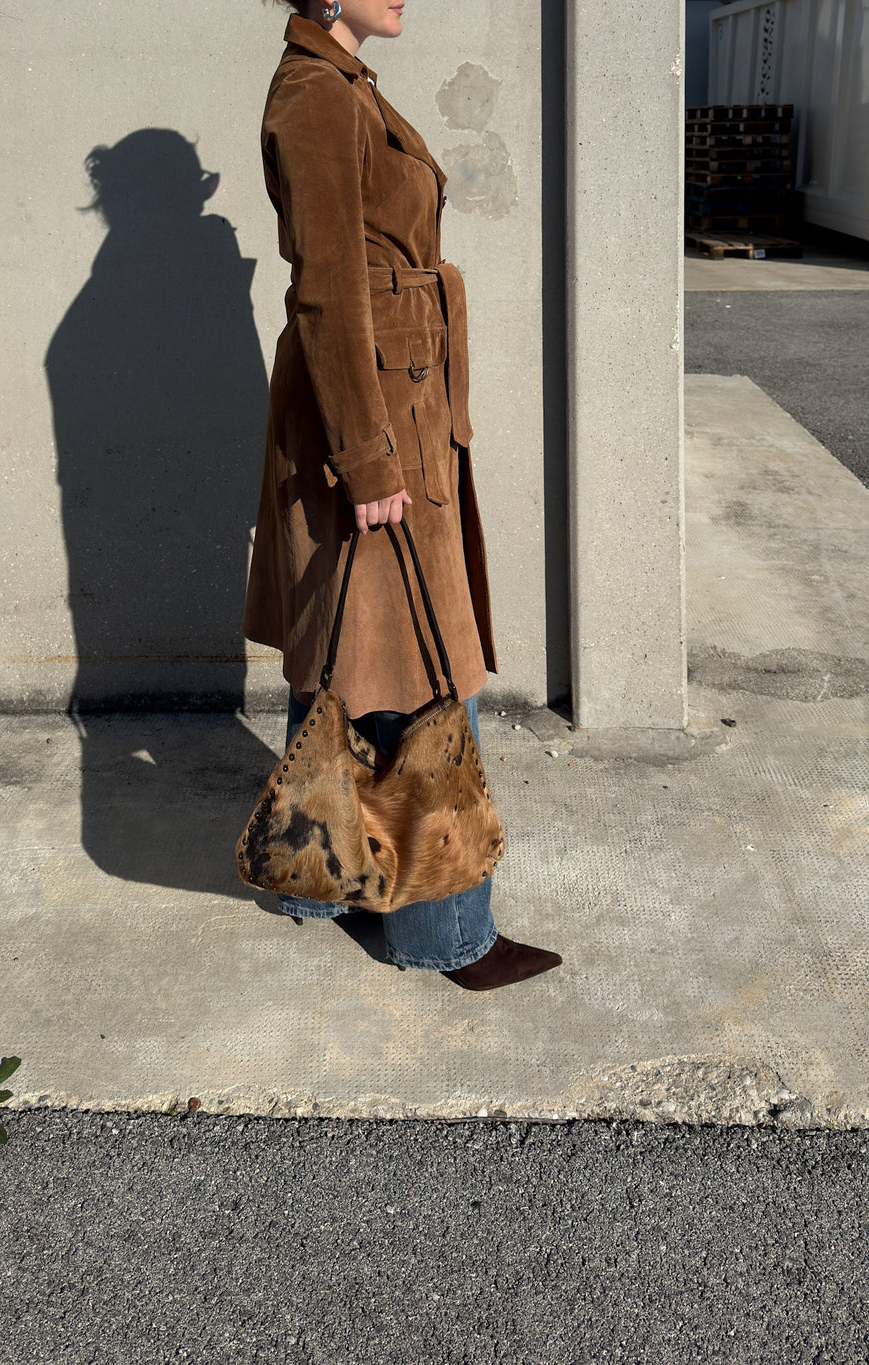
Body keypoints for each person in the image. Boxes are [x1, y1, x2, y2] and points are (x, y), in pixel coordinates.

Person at [243, 0, 562, 989]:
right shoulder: (317, 100)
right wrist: (370, 462)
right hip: (375, 413)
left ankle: (310, 876)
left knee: (349, 654)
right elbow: (329, 287)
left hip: (386, 398)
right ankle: (443, 936)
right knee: (421, 673)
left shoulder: (339, 88)